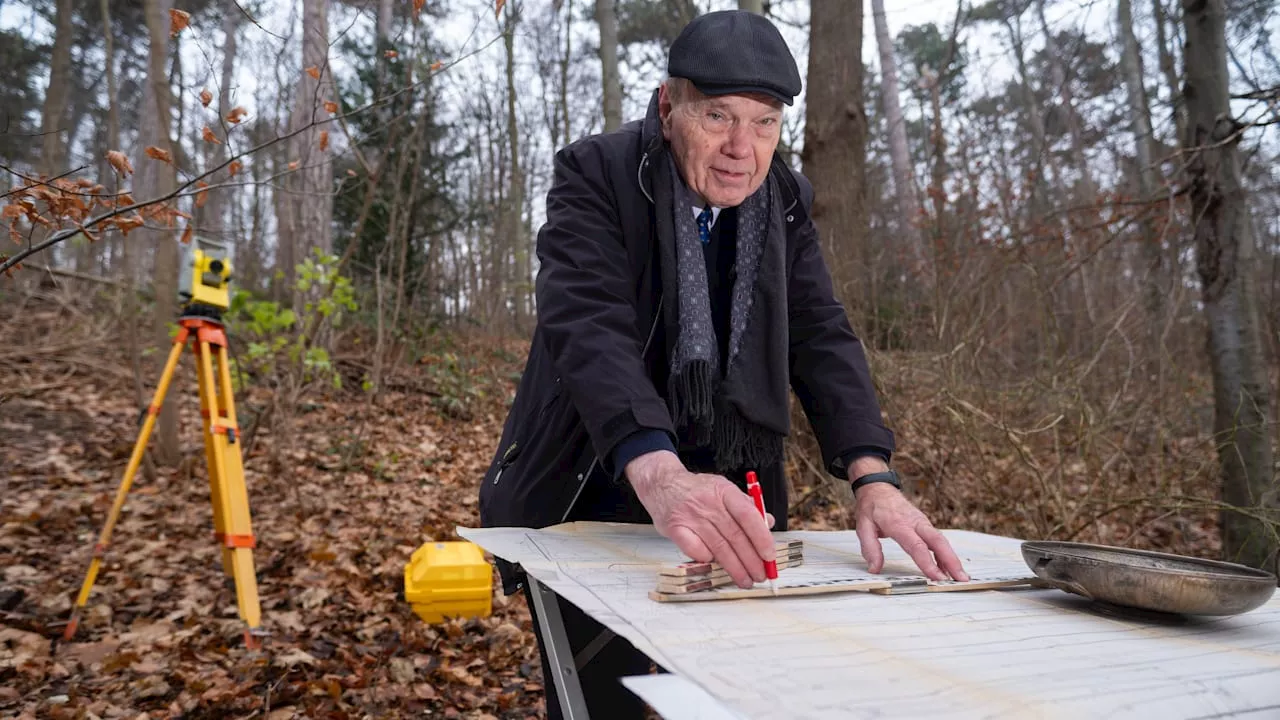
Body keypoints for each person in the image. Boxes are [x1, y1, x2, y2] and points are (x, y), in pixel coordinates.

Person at [478, 10, 968, 718]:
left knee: (732, 693)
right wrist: (659, 470)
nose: (744, 147)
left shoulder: (785, 201)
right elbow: (586, 325)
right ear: (668, 106)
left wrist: (874, 475)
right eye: (719, 115)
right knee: (600, 696)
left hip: (737, 488)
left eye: (765, 122)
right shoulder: (598, 173)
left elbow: (820, 334)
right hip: (600, 480)